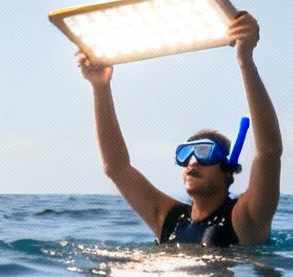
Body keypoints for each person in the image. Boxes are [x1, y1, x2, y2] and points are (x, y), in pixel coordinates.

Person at [78, 9, 282, 246]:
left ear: (228, 170)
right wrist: (100, 86)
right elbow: (116, 168)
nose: (192, 162)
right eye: (186, 154)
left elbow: (269, 152)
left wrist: (245, 61)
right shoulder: (169, 219)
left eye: (205, 153)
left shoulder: (244, 219)